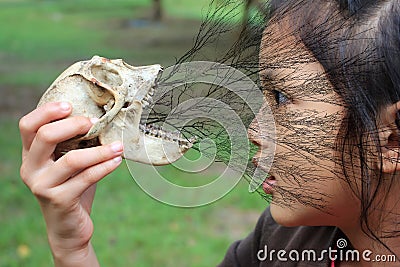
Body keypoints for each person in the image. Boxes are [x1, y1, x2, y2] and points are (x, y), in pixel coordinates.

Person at [19, 0, 400, 266]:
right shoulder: (283, 244)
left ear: (392, 137)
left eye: (282, 97)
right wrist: (72, 246)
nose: (253, 130)